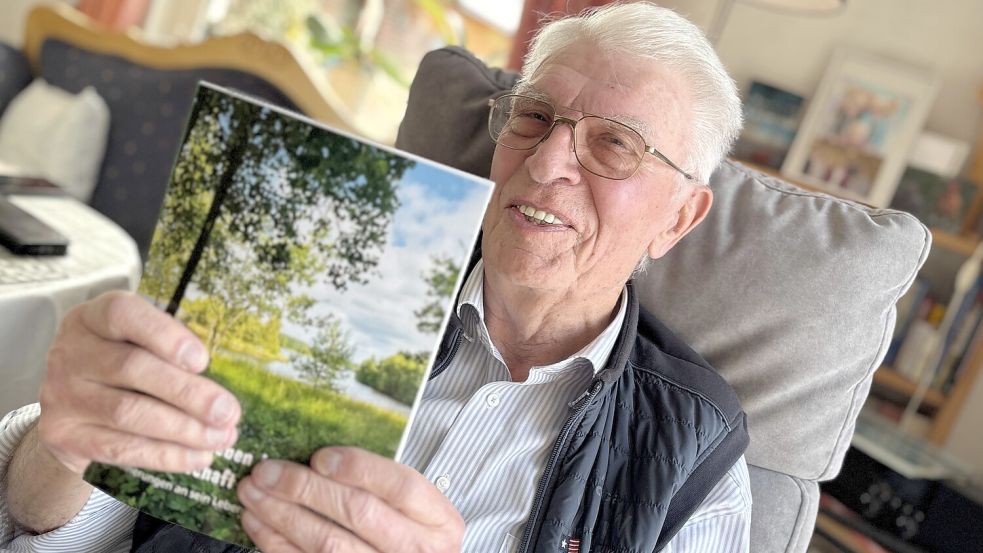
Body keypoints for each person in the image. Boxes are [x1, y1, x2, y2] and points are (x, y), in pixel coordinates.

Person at [0, 2, 750, 552]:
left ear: (678, 218)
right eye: (533, 117)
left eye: (615, 144)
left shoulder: (693, 447)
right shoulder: (319, 268)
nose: (547, 161)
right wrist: (63, 444)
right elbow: (74, 519)